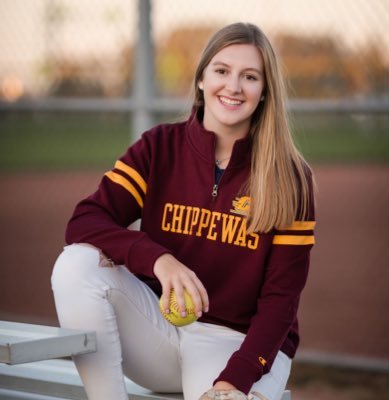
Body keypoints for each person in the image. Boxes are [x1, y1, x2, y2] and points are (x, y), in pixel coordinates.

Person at [51, 22, 315, 400]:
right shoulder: (159, 147)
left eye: (250, 76)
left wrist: (233, 382)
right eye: (222, 71)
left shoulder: (290, 176)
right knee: (75, 264)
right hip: (159, 331)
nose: (234, 87)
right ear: (202, 79)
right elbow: (85, 220)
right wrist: (158, 259)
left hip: (237, 345)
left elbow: (281, 301)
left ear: (265, 91)